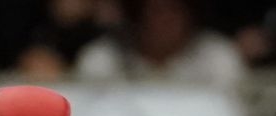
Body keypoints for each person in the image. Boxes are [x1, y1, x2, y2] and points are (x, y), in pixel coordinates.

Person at [74, 0, 247, 86]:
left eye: (174, 9)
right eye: (156, 10)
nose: (165, 20)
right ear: (137, 14)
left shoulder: (217, 57)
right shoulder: (102, 58)